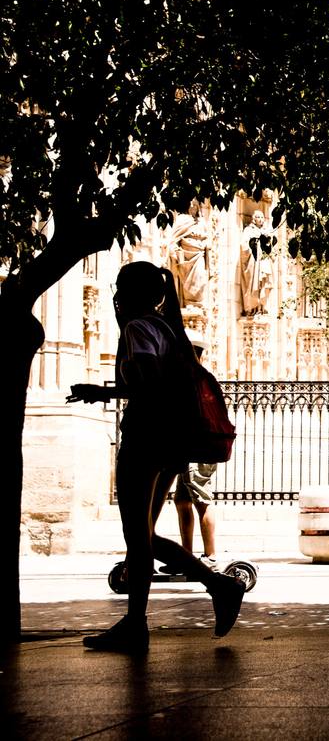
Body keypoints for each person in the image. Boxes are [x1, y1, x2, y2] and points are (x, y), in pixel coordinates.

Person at [68, 262, 245, 653]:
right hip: (170, 443)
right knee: (143, 535)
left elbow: (150, 386)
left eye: (119, 289)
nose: (115, 297)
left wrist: (102, 393)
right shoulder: (170, 330)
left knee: (137, 535)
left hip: (145, 439)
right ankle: (216, 587)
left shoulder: (138, 328)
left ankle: (143, 622)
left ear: (129, 294)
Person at [165, 330, 219, 571]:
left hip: (198, 448)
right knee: (182, 501)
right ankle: (186, 556)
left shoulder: (195, 379)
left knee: (201, 499)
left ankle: (210, 555)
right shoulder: (199, 378)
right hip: (189, 447)